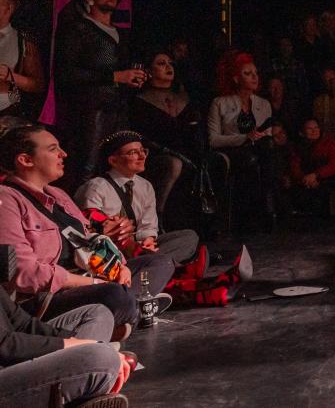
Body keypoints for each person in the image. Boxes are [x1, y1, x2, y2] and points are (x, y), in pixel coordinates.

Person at [0, 124, 174, 332]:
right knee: (114, 294)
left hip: (90, 274)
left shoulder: (58, 195)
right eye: (53, 149)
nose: (63, 154)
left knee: (159, 262)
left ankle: (128, 312)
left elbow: (91, 239)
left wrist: (120, 265)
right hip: (49, 295)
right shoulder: (7, 200)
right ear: (26, 160)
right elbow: (23, 272)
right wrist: (93, 283)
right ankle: (134, 309)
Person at [50, 0, 146, 189]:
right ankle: (78, 209)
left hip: (119, 109)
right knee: (87, 167)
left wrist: (134, 79)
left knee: (118, 167)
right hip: (90, 111)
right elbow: (66, 73)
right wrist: (114, 76)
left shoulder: (122, 34)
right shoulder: (78, 29)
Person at [74, 131, 199, 265]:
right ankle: (153, 263)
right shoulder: (96, 186)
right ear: (113, 160)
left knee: (189, 237)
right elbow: (89, 224)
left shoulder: (145, 186)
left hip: (139, 247)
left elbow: (148, 224)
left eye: (143, 151)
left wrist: (148, 240)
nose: (142, 156)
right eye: (133, 152)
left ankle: (149, 262)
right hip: (111, 248)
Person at [0, 291, 131, 408]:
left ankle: (80, 383)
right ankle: (85, 381)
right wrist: (82, 345)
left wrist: (75, 341)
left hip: (14, 357)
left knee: (100, 315)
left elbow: (22, 323)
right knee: (103, 360)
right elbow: (7, 346)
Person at [128, 52, 204, 216]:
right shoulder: (140, 101)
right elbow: (141, 138)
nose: (168, 67)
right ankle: (156, 216)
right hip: (158, 154)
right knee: (173, 164)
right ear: (149, 71)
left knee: (218, 160)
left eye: (170, 63)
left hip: (188, 152)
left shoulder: (185, 97)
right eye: (161, 63)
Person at [207, 53, 276, 233]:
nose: (254, 77)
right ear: (236, 78)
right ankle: (260, 212)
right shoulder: (219, 103)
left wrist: (260, 137)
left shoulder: (264, 104)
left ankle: (266, 208)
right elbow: (213, 139)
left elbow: (267, 135)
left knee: (268, 148)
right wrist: (244, 138)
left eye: (256, 73)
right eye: (248, 73)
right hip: (232, 150)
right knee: (251, 158)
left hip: (260, 149)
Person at [0, 0, 45, 120]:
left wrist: (10, 76)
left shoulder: (22, 41)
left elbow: (37, 84)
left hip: (5, 113)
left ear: (8, 9)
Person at [283, 119, 335, 214]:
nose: (314, 131)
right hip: (306, 182)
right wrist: (305, 179)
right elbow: (295, 167)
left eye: (316, 128)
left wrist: (316, 175)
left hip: (327, 180)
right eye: (310, 129)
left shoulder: (329, 143)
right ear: (302, 132)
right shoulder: (298, 147)